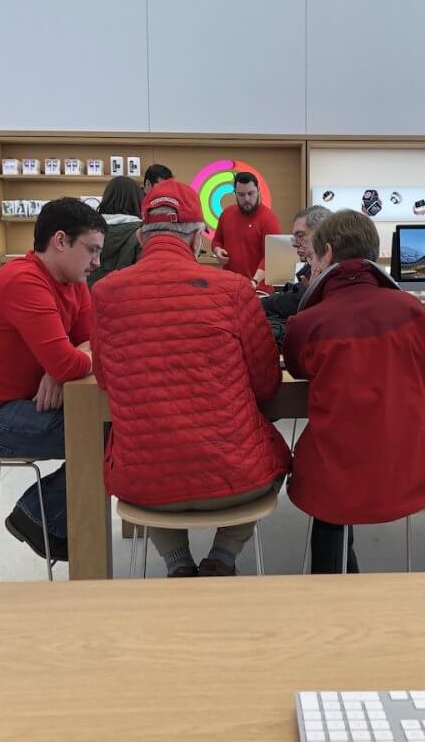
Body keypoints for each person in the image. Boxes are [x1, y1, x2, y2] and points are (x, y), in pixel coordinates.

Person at [90, 180, 290, 577]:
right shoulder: (233, 290)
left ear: (143, 236)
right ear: (198, 237)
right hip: (238, 481)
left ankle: (177, 563)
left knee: (149, 455)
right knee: (274, 456)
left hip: (143, 485)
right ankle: (223, 558)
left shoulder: (107, 292)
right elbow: (267, 385)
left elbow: (104, 380)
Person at [283, 210, 425, 573]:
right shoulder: (410, 310)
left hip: (333, 485)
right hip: (410, 474)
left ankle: (331, 583)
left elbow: (299, 368)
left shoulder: (307, 321)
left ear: (327, 253)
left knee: (325, 477)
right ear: (374, 255)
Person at [0, 198, 106, 561]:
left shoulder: (72, 281)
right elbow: (76, 358)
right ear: (61, 241)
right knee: (105, 434)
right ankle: (38, 515)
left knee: (108, 429)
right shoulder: (23, 280)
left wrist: (61, 365)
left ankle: (41, 517)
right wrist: (63, 364)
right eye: (92, 250)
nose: (97, 262)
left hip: (22, 403)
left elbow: (92, 341)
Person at [262, 205, 330, 348]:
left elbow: (295, 300)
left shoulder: (327, 272)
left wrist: (255, 304)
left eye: (300, 236)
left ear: (322, 234)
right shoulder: (312, 267)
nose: (294, 244)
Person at [211, 171, 281, 294]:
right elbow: (216, 241)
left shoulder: (269, 219)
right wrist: (218, 251)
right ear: (235, 194)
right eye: (241, 194)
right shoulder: (227, 214)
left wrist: (254, 281)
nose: (247, 199)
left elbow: (272, 258)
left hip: (259, 290)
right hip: (230, 289)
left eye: (251, 193)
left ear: (258, 191)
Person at [87, 176, 144, 288]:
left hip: (86, 300)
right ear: (138, 200)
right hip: (125, 300)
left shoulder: (84, 231)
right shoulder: (141, 234)